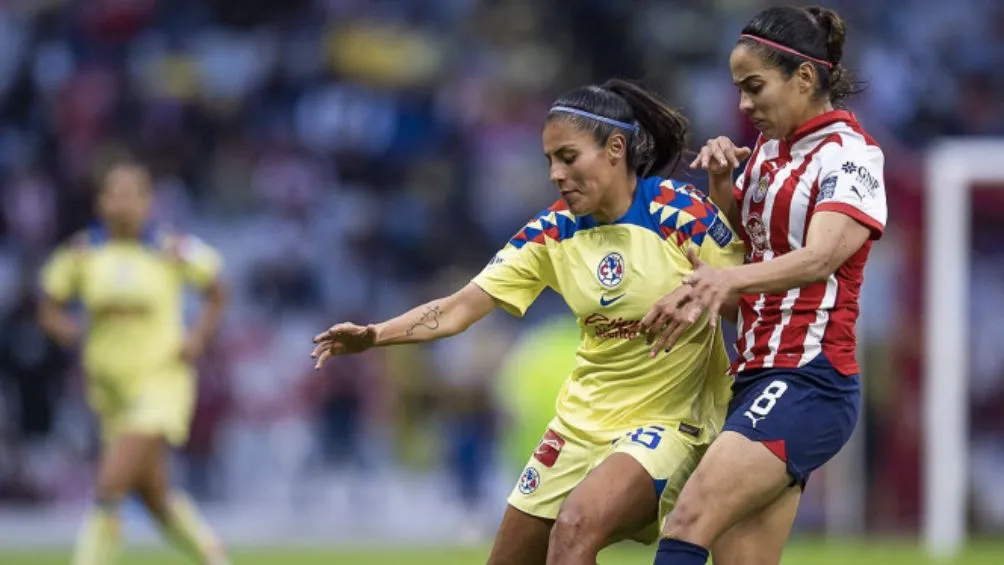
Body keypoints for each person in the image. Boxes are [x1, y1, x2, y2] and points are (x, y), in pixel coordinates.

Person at [311, 78, 745, 565]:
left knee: (575, 529)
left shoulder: (677, 209)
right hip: (580, 424)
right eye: (549, 161)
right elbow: (458, 308)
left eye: (568, 156)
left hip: (668, 422)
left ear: (615, 149)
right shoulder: (552, 231)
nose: (556, 174)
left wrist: (700, 292)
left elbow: (747, 294)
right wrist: (375, 335)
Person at [639, 6, 885, 565]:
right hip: (754, 374)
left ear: (803, 78)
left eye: (755, 87)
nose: (744, 105)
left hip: (810, 379)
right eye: (738, 90)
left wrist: (720, 281)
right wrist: (724, 184)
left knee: (688, 518)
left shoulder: (851, 156)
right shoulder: (769, 154)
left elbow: (820, 257)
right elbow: (750, 246)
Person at [38, 161, 231, 565]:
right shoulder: (81, 253)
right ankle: (216, 558)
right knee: (154, 496)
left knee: (110, 487)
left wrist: (197, 337)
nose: (123, 203)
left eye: (133, 194)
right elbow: (49, 303)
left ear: (148, 203)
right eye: (115, 194)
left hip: (160, 381)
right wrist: (63, 328)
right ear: (100, 202)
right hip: (108, 389)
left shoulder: (171, 249)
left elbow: (217, 287)